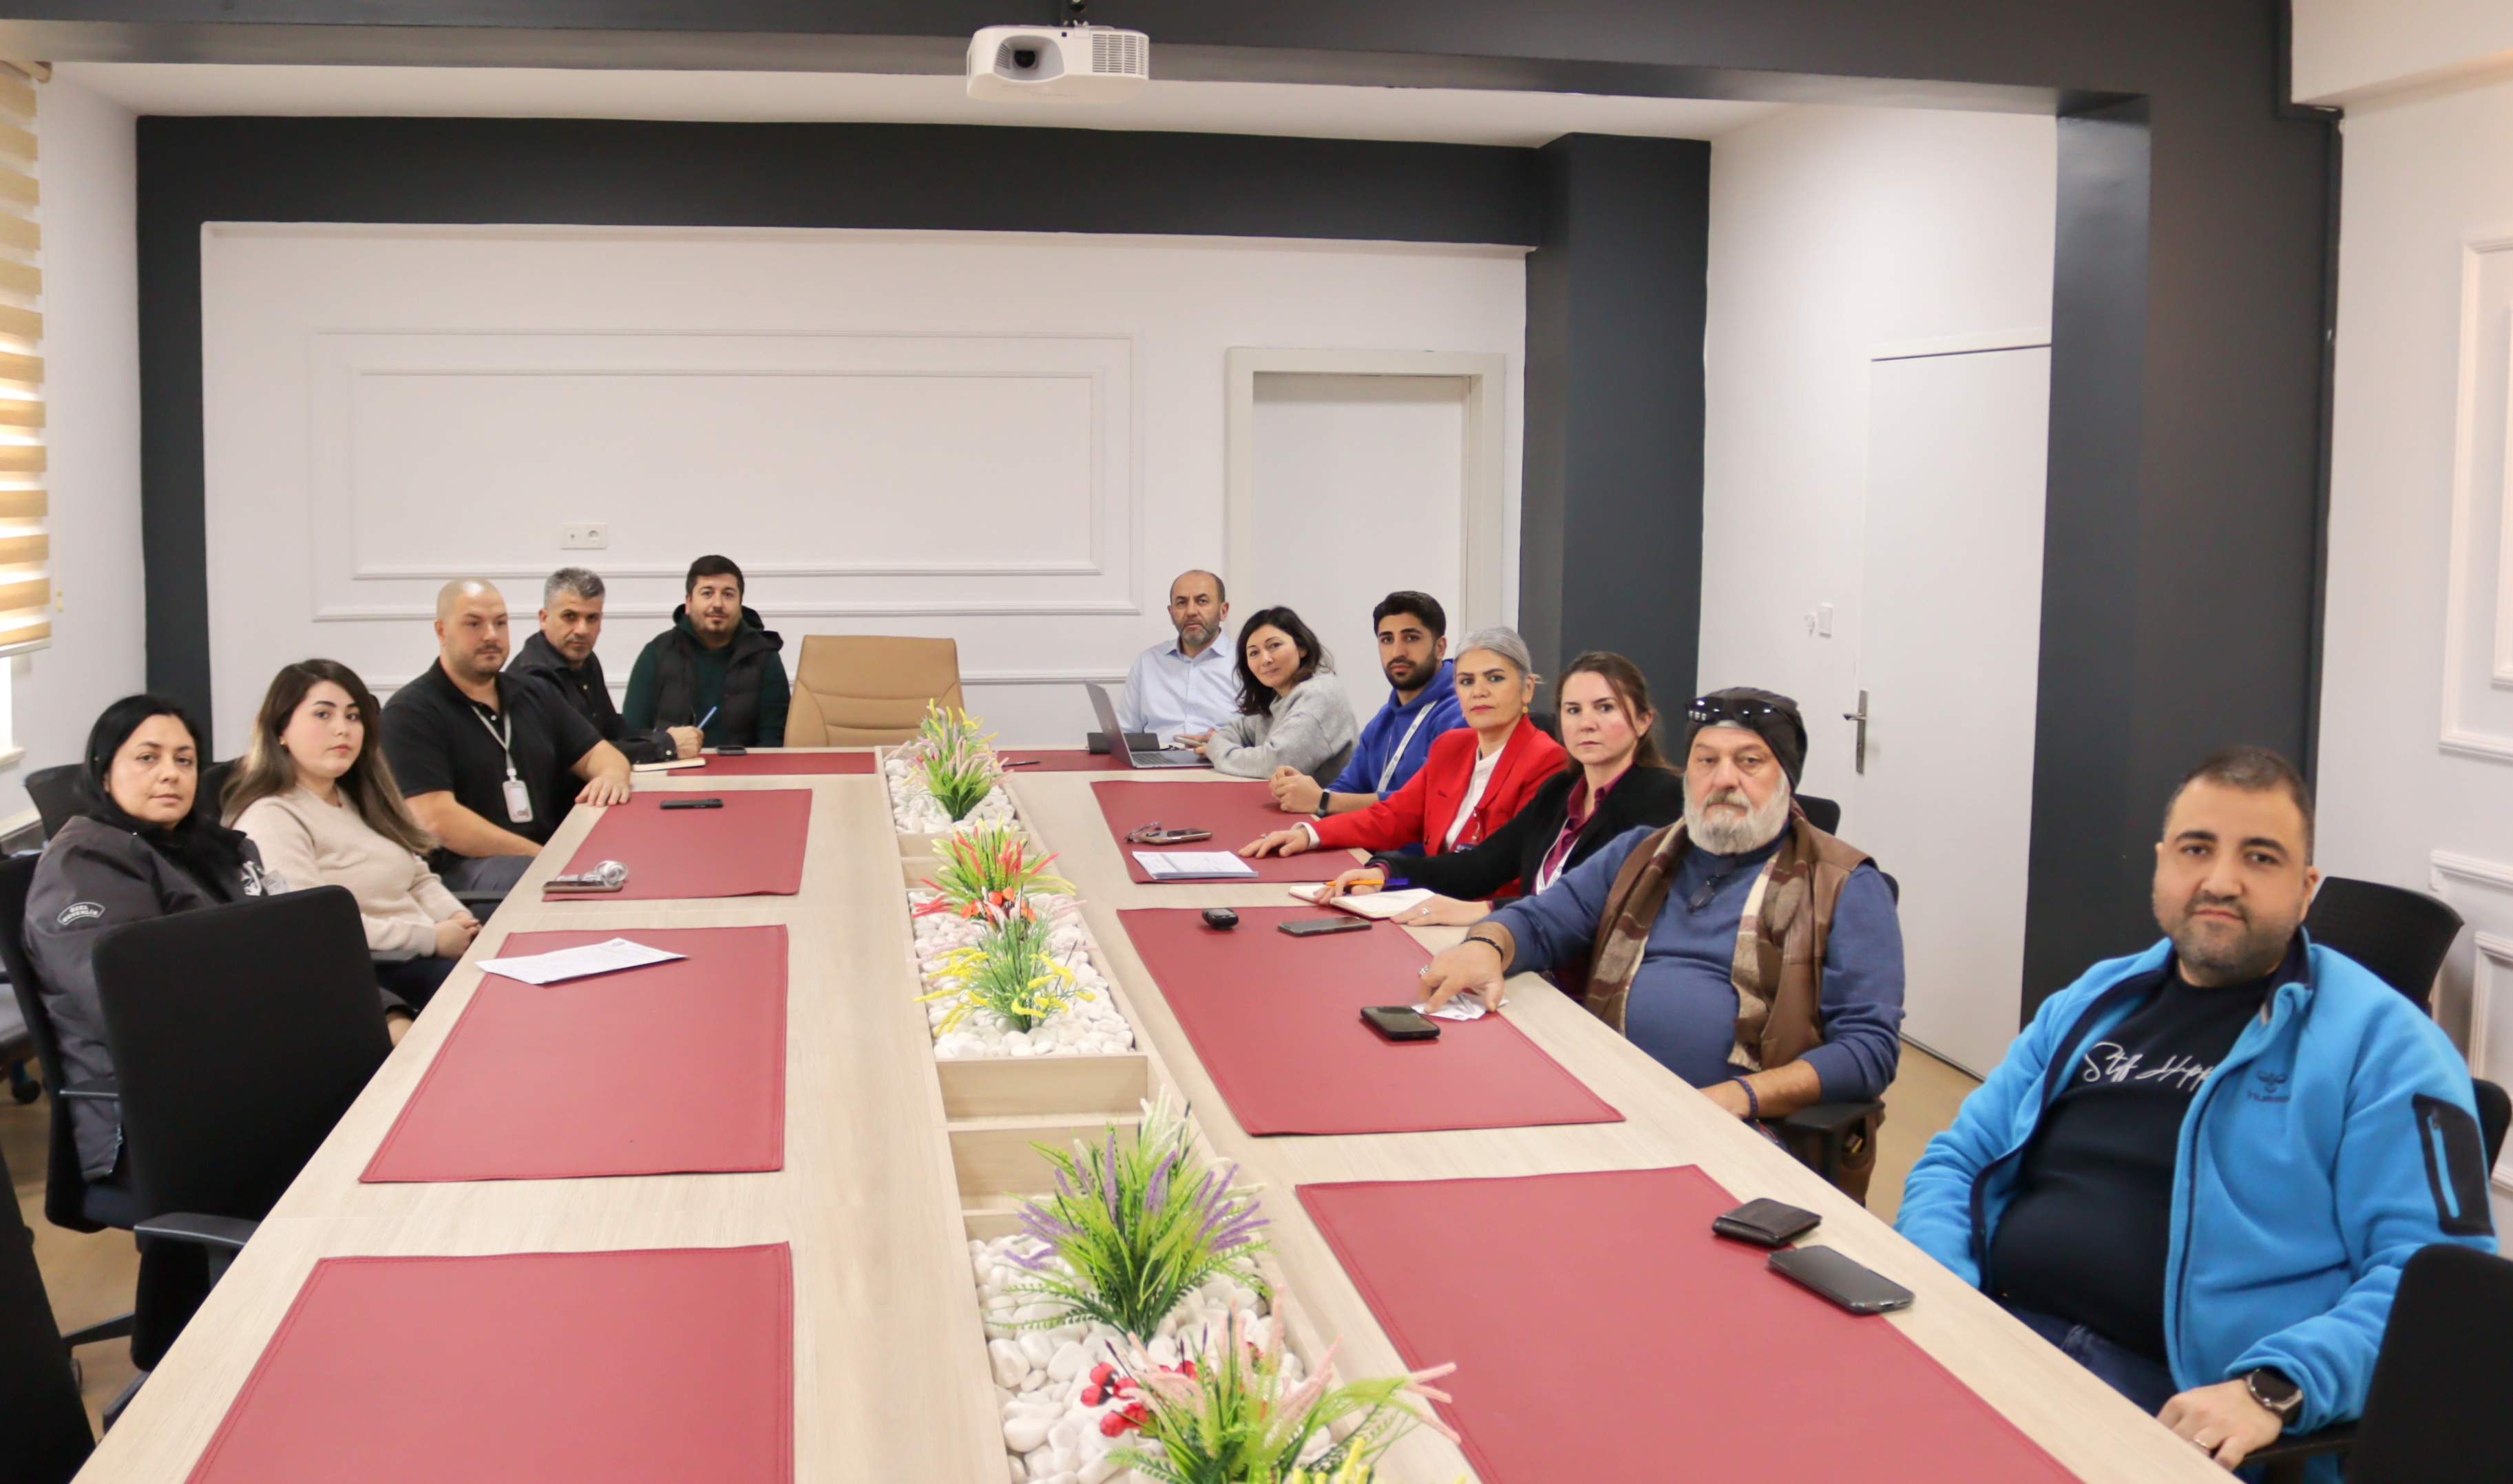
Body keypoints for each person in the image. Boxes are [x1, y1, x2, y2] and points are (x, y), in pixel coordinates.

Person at [1895, 748, 2496, 1475]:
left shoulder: (2388, 1048)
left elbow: (2438, 1282)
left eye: (2260, 857)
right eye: (2196, 848)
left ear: (2306, 888)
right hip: (1994, 1335)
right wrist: (1944, 1291)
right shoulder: (2095, 997)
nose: (2220, 880)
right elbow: (1958, 1158)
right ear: (2161, 864)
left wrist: (2276, 1386)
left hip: (2177, 1406)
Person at [1414, 686, 1905, 1196]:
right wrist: (1486, 947)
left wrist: (1737, 1097)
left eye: (1749, 762)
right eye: (1706, 760)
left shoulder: (1845, 885)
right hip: (1609, 1096)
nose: (1724, 779)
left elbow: (1868, 1049)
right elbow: (1543, 919)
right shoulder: (1642, 852)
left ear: (1787, 778)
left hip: (1742, 1128)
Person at [26, 697, 414, 1183]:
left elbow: (296, 956)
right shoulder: (84, 865)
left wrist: (384, 1012)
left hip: (249, 1073)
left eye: (184, 760)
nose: (170, 773)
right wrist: (314, 1033)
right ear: (104, 774)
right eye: (147, 758)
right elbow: (141, 1012)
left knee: (417, 1079)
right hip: (162, 1113)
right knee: (390, 1126)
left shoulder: (213, 849)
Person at [1318, 651, 1686, 926]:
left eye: (1605, 708)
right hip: (1530, 947)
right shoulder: (1561, 791)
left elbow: (1598, 902)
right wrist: (1387, 874)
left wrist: (1488, 911)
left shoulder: (1663, 797)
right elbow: (1480, 866)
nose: (1586, 723)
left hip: (1588, 977)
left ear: (1643, 721)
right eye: (1573, 710)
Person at [226, 659, 478, 1010]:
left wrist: (459, 920)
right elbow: (316, 925)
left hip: (423, 953)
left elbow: (418, 879)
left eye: (353, 716)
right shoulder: (271, 816)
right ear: (280, 730)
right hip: (371, 974)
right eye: (323, 715)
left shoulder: (360, 798)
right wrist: (430, 939)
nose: (342, 729)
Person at [1239, 627, 1561, 885]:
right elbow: (1394, 816)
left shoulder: (1548, 762)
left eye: (1495, 678)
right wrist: (1310, 834)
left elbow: (1498, 871)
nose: (1479, 691)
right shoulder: (1451, 746)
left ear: (1528, 689)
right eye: (1466, 681)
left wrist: (1392, 876)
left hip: (1479, 913)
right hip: (1427, 893)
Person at [381, 579, 634, 901]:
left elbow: (601, 754)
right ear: (441, 631)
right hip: (463, 872)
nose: (491, 635)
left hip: (541, 856)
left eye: (500, 623)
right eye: (474, 624)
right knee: (541, 881)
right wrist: (541, 856)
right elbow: (436, 819)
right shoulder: (411, 712)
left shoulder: (534, 693)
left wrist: (612, 776)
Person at [1267, 591, 1463, 824]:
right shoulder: (1384, 719)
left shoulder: (1458, 715)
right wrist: (1299, 791)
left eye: (1411, 638)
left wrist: (1323, 800)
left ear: (1440, 648)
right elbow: (1348, 788)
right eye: (1387, 639)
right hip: (1371, 839)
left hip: (1415, 847)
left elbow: (1426, 804)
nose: (1397, 652)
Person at [508, 567, 677, 763]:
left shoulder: (587, 660)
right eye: (570, 617)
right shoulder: (532, 677)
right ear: (544, 619)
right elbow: (576, 756)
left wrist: (665, 737)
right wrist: (665, 745)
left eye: (592, 618)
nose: (582, 630)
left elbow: (612, 729)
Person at [621, 555, 791, 750]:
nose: (718, 604)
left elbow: (773, 741)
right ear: (689, 602)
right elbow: (633, 733)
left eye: (728, 595)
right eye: (707, 593)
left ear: (740, 605)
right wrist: (667, 746)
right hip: (672, 765)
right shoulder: (657, 653)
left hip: (745, 767)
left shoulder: (765, 657)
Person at [1182, 606, 1358, 784]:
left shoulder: (1319, 694)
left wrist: (1217, 750)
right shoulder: (1281, 697)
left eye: (1274, 646)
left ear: (1302, 647)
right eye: (1254, 653)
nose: (1265, 660)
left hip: (1325, 803)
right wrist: (1220, 741)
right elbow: (1242, 729)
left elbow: (1276, 763)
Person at [1115, 569, 1238, 745]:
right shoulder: (1148, 662)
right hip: (1158, 761)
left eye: (1202, 601)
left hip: (1221, 760)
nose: (1191, 611)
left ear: (1223, 611)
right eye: (1181, 603)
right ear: (1172, 613)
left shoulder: (1246, 662)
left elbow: (1262, 736)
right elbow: (1126, 733)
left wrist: (1224, 745)